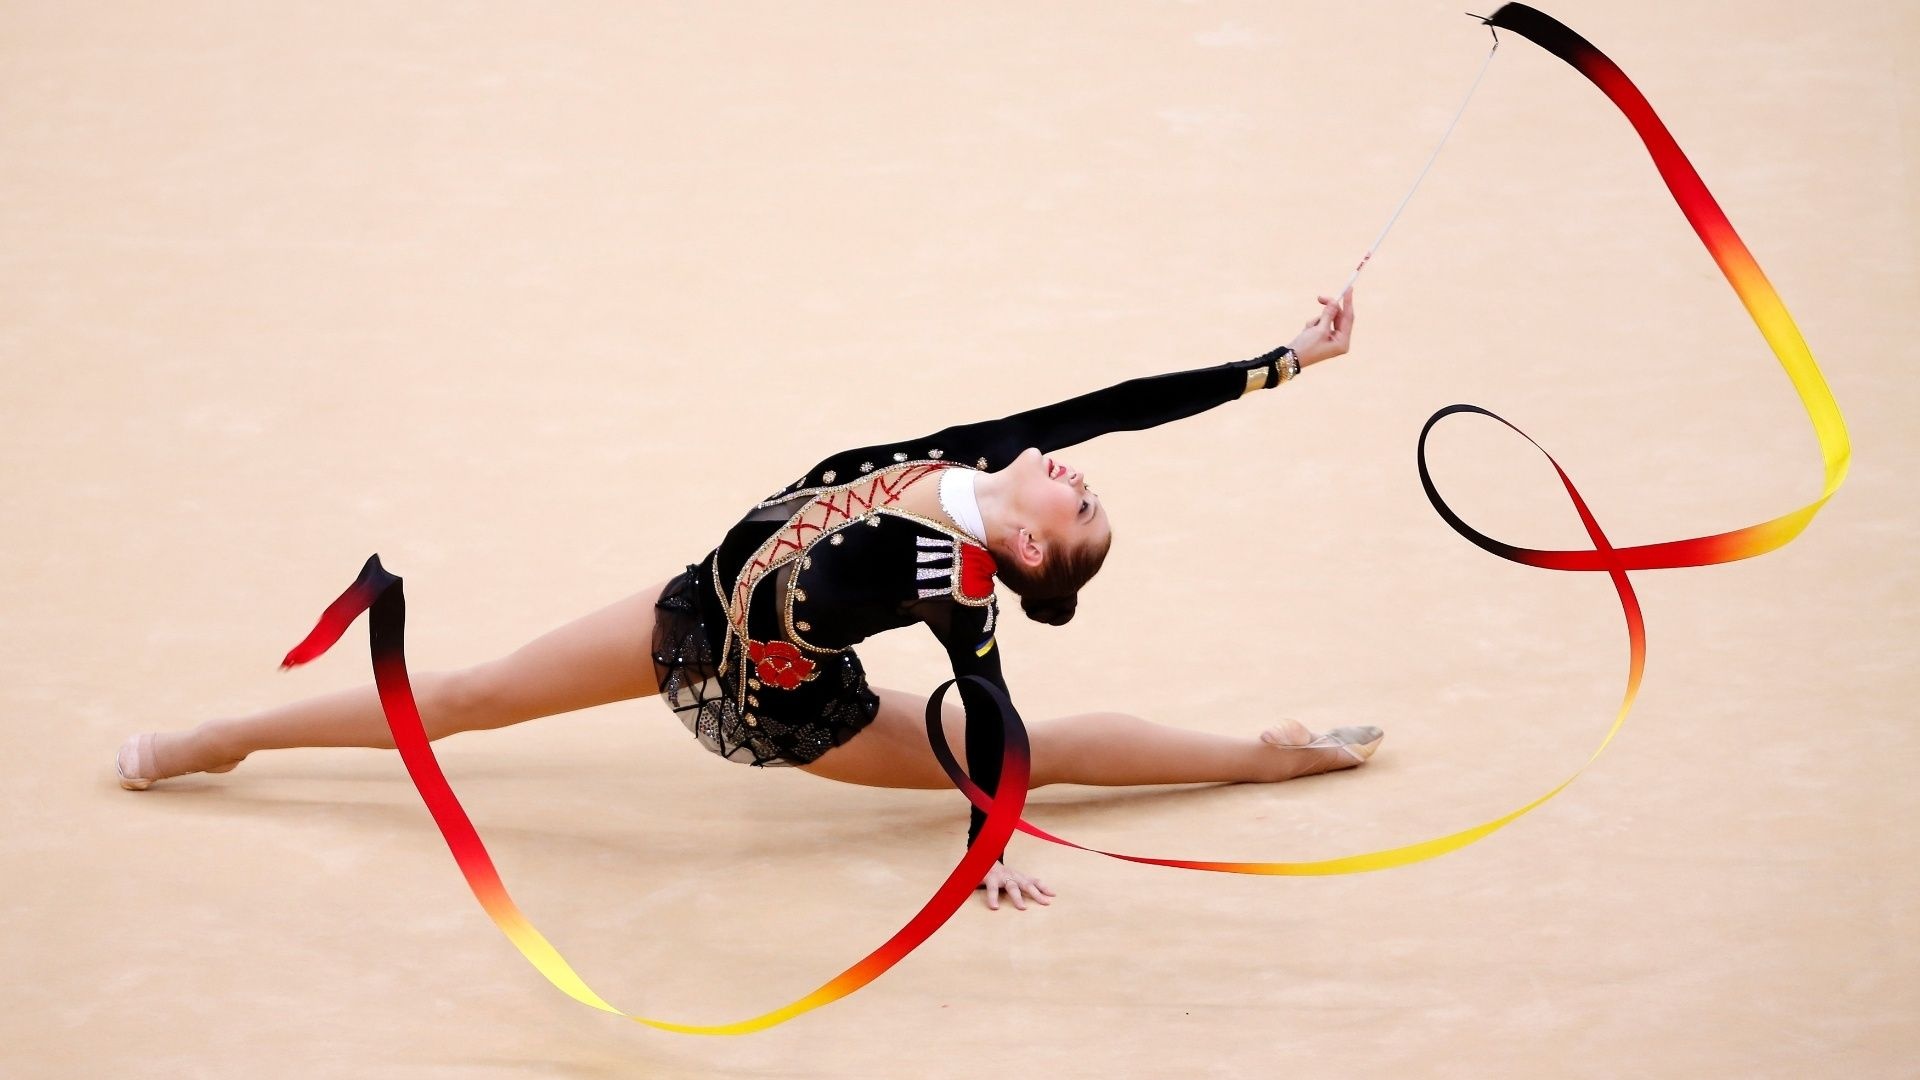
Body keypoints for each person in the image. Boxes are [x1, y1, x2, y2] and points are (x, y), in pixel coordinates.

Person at [116, 289, 1376, 912]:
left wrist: (986, 844)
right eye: (1090, 491)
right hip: (687, 614)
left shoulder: (958, 577)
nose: (1083, 477)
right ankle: (222, 739)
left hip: (779, 705)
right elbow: (1124, 401)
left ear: (1040, 555)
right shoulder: (996, 450)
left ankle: (1267, 761)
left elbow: (984, 692)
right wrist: (1284, 362)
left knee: (1025, 761)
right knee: (471, 693)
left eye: (1085, 510)